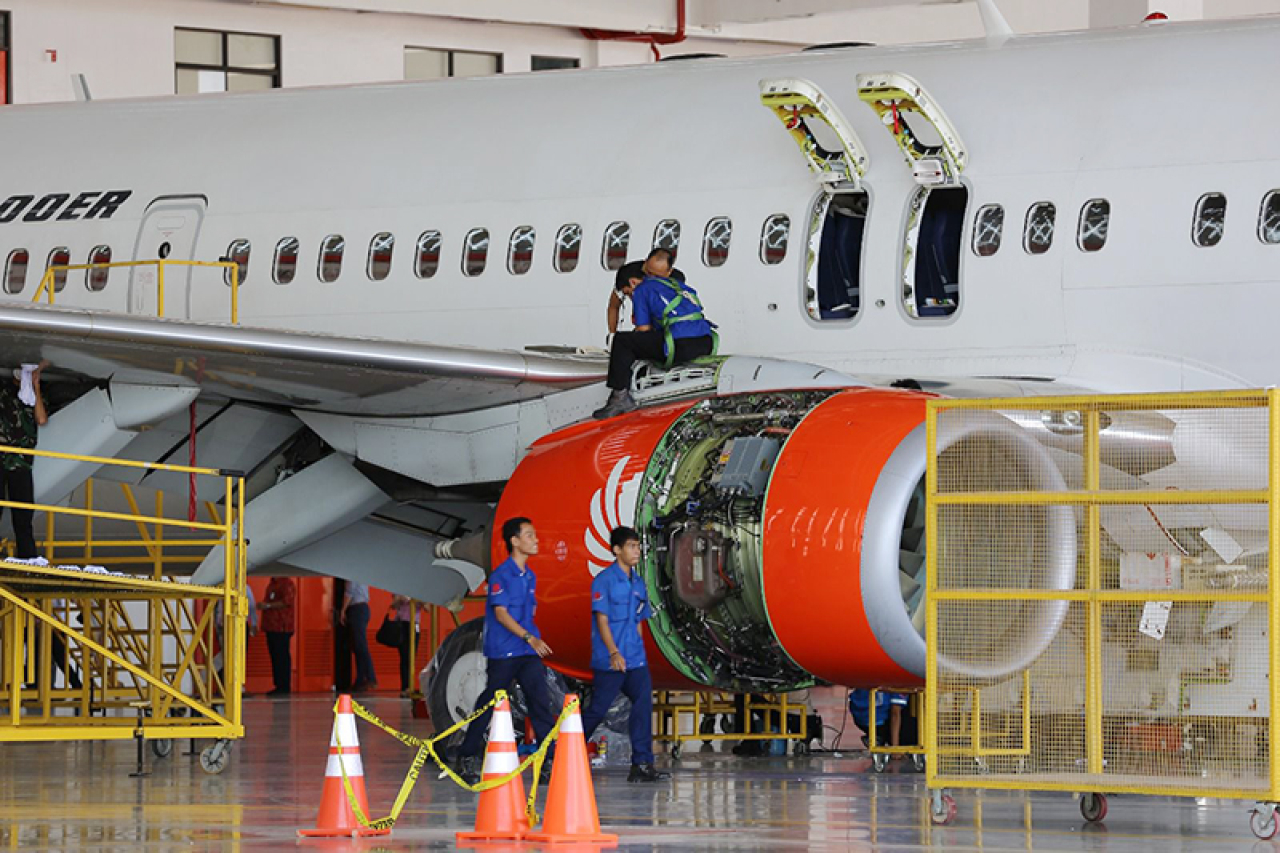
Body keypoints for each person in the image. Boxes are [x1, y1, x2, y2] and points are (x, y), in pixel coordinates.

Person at [454, 517, 558, 785]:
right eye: (529, 535)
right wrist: (528, 636)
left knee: (540, 701)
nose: (535, 540)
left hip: (527, 652)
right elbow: (501, 614)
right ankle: (467, 755)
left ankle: (549, 758)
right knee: (490, 701)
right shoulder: (501, 575)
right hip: (504, 652)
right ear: (514, 540)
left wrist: (531, 639)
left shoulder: (529, 575)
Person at [580, 526, 669, 783]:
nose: (636, 551)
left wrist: (639, 651)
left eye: (638, 546)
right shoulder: (604, 581)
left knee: (643, 706)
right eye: (631, 546)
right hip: (611, 659)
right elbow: (602, 621)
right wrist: (613, 652)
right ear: (617, 550)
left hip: (635, 659)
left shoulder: (638, 582)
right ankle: (561, 753)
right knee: (597, 710)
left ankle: (642, 764)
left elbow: (639, 621)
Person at [593, 248, 717, 420]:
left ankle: (619, 398)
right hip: (706, 341)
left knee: (623, 341)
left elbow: (643, 330)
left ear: (634, 282)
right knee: (653, 341)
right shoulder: (679, 285)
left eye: (629, 294)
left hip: (681, 344)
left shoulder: (643, 289)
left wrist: (618, 337)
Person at [0, 362, 48, 560]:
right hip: (2, 459)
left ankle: (28, 558)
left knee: (23, 514)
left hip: (22, 463)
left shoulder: (32, 398)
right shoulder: (4, 393)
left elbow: (42, 419)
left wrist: (36, 386)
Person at [257, 577, 296, 696]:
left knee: (281, 656)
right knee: (275, 656)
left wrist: (268, 605)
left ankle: (284, 686)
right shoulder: (272, 584)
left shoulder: (287, 583)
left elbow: (287, 601)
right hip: (271, 626)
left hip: (282, 627)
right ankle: (278, 685)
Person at [341, 581, 377, 692]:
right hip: (362, 609)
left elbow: (349, 592)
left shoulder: (351, 574)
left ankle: (370, 677)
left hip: (357, 609)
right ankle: (360, 679)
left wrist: (343, 610)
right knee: (357, 645)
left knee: (360, 645)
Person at [389, 594, 419, 697]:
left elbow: (427, 607)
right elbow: (393, 606)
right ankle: (405, 687)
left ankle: (410, 686)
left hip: (414, 623)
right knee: (403, 656)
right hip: (401, 623)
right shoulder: (399, 587)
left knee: (411, 657)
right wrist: (399, 599)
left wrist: (414, 599)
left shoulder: (420, 590)